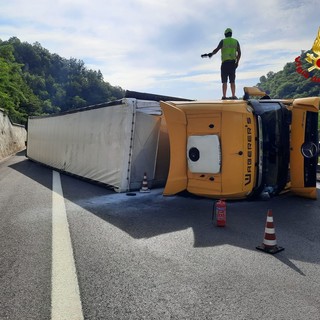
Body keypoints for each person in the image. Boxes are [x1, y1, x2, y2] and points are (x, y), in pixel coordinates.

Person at [202, 28, 241, 100]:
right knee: (232, 81)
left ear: (225, 34)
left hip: (225, 64)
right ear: (231, 34)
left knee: (224, 81)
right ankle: (233, 95)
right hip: (233, 64)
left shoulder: (223, 41)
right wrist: (237, 62)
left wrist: (210, 54)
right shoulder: (236, 42)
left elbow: (216, 50)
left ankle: (224, 96)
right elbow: (239, 53)